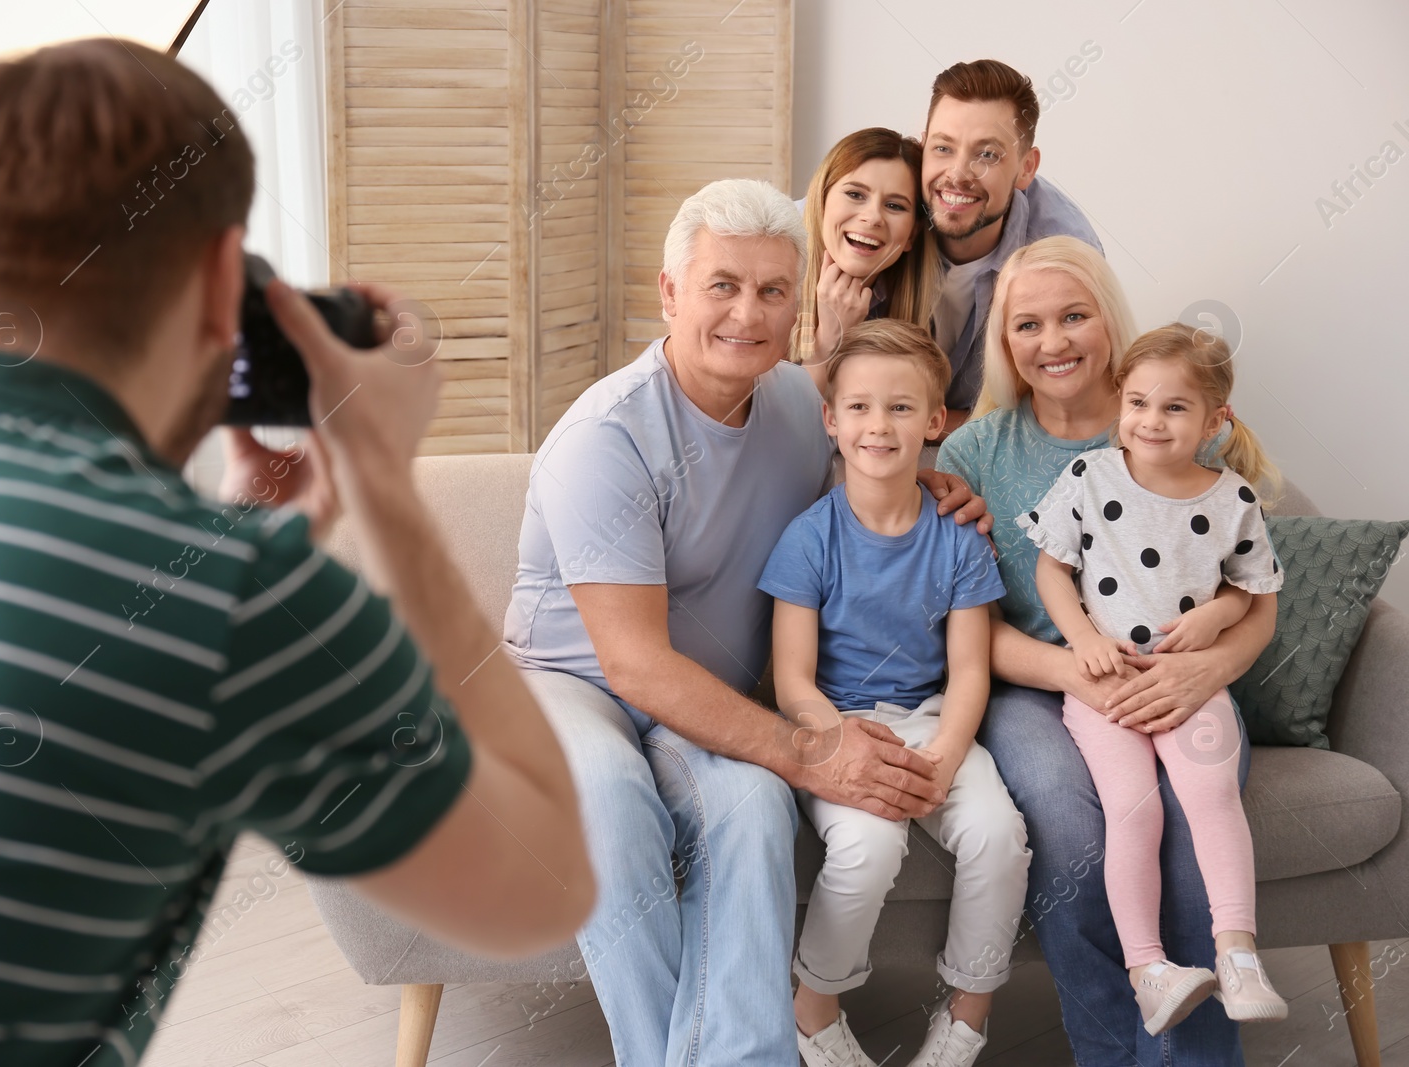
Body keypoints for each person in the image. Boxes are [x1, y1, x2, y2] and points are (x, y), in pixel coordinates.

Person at [0, 40, 593, 1066]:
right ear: (226, 281)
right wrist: (384, 490)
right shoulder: (239, 605)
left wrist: (255, 537)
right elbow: (541, 888)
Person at [502, 179, 991, 1066]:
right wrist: (810, 748)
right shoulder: (604, 439)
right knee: (611, 798)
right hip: (572, 684)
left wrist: (934, 486)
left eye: (772, 291)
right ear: (670, 293)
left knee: (758, 804)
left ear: (796, 307)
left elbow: (863, 486)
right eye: (721, 285)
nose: (746, 312)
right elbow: (638, 667)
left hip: (704, 698)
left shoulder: (800, 411)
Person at [937, 236, 1279, 1066]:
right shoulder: (975, 454)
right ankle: (1110, 1050)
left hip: (1174, 679)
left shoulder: (1182, 425)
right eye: (1028, 324)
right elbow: (957, 618)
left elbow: (1255, 594)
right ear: (1005, 341)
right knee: (1072, 824)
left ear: (1108, 323)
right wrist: (1071, 668)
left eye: (1074, 316)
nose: (1052, 341)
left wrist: (1209, 664)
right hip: (1034, 684)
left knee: (1195, 839)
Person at [760, 320, 1028, 1067]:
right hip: (839, 726)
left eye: (902, 408)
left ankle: (966, 1017)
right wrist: (840, 741)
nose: (879, 425)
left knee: (998, 837)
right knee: (870, 846)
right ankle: (813, 1010)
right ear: (831, 420)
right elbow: (792, 681)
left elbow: (971, 670)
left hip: (935, 722)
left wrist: (943, 755)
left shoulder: (959, 539)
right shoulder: (808, 539)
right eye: (861, 408)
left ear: (936, 421)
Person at [1024, 323, 1287, 1033]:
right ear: (1120, 403)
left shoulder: (1233, 498)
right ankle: (1149, 972)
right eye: (1138, 402)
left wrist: (1217, 616)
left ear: (1214, 419)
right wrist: (1081, 639)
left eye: (1174, 407)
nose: (1151, 420)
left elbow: (1252, 593)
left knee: (1208, 795)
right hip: (1107, 685)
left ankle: (1237, 952)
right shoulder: (1090, 477)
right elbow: (1052, 567)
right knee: (1133, 810)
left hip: (1190, 683)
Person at [919, 59, 1103, 429]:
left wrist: (939, 424)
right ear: (922, 147)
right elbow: (782, 217)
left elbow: (1071, 403)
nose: (957, 174)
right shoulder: (878, 200)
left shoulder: (1064, 250)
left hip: (1000, 445)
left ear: (1026, 168)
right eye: (943, 148)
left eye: (987, 154)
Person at [797, 128, 942, 379]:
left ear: (911, 235)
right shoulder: (774, 281)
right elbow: (786, 418)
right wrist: (829, 339)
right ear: (820, 201)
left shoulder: (923, 310)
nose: (873, 217)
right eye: (855, 194)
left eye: (894, 206)